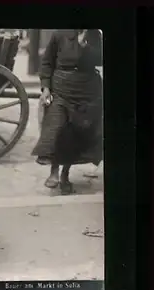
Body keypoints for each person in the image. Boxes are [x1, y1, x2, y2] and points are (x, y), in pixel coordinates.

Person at [32, 29, 103, 195]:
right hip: (61, 88)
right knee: (57, 128)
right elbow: (47, 62)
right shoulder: (59, 34)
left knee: (75, 134)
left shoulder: (94, 35)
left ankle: (65, 174)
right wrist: (46, 88)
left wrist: (84, 46)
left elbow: (100, 60)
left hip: (86, 92)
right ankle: (54, 171)